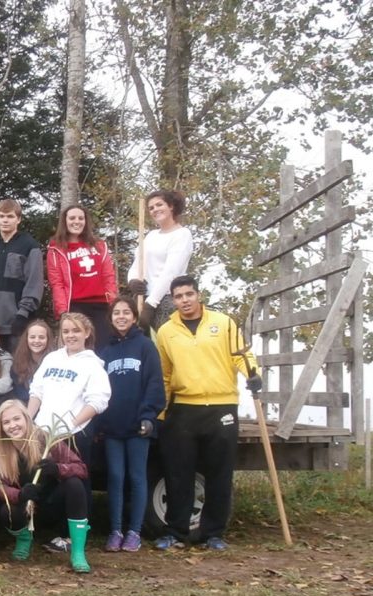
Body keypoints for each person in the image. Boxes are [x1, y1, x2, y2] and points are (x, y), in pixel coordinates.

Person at [154, 276, 260, 551]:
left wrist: (253, 374)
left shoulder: (223, 323)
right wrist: (162, 411)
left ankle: (213, 533)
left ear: (199, 295)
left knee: (219, 473)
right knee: (179, 473)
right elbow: (165, 374)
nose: (185, 300)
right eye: (179, 296)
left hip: (222, 407)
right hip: (183, 408)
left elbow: (241, 354)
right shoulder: (166, 331)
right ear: (173, 300)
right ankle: (176, 532)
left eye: (189, 294)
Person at [0, 400, 92, 573]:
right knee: (7, 511)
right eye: (6, 422)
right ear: (1, 427)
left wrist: (58, 469)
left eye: (16, 419)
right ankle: (24, 539)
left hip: (51, 505)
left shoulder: (45, 439)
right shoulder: (0, 451)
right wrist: (19, 495)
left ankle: (78, 552)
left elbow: (81, 468)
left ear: (26, 419)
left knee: (74, 484)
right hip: (25, 509)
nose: (13, 425)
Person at [97, 297, 165, 553]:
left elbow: (155, 384)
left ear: (134, 318)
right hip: (113, 427)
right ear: (111, 318)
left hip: (139, 427)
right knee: (115, 477)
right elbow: (99, 391)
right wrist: (100, 422)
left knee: (137, 477)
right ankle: (115, 530)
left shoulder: (145, 346)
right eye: (117, 313)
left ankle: (134, 531)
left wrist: (148, 415)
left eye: (126, 312)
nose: (122, 316)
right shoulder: (107, 352)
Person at [27, 312, 110, 470]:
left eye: (76, 331)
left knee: (74, 484)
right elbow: (37, 392)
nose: (70, 335)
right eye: (66, 331)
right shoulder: (52, 358)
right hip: (42, 432)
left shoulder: (93, 365)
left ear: (86, 333)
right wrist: (28, 420)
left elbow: (97, 402)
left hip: (74, 436)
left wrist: (70, 426)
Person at [46, 205, 118, 346]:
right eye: (72, 218)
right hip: (75, 305)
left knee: (103, 347)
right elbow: (57, 283)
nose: (76, 221)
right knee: (78, 347)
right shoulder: (56, 249)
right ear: (64, 221)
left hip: (101, 305)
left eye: (81, 218)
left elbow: (108, 276)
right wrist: (63, 311)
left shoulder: (99, 245)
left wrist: (113, 302)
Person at [0, 199, 44, 352]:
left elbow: (34, 282)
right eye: (1, 216)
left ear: (18, 219)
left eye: (10, 216)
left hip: (16, 322)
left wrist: (23, 313)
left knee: (16, 368)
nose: (5, 220)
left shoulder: (29, 246)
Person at [127, 189, 194, 332]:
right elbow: (138, 262)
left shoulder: (182, 235)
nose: (155, 210)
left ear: (171, 206)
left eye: (159, 205)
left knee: (166, 347)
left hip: (165, 300)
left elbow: (170, 272)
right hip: (143, 298)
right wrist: (132, 280)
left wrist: (151, 304)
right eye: (151, 208)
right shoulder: (151, 236)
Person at [10, 319, 55, 402]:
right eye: (32, 337)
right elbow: (20, 393)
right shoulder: (17, 364)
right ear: (26, 339)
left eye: (41, 337)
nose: (36, 341)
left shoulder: (56, 362)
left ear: (48, 339)